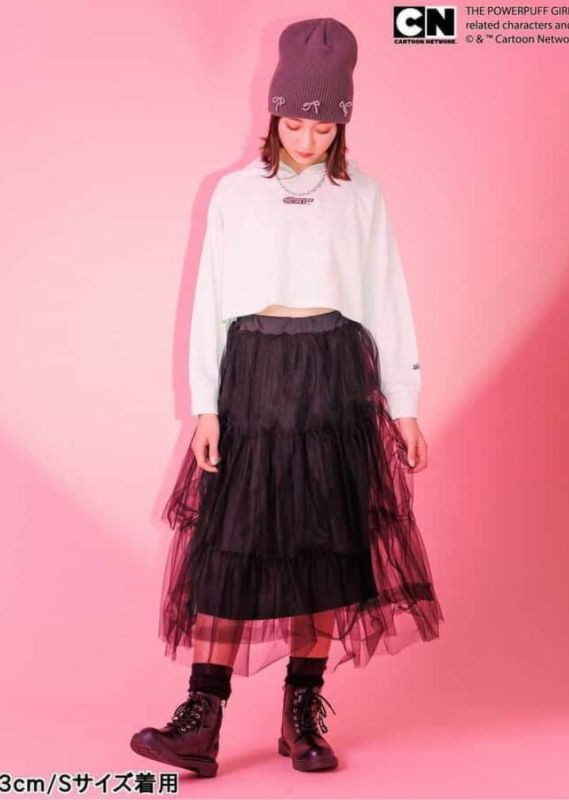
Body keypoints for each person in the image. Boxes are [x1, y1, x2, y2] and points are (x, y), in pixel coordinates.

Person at [131, 17, 444, 778]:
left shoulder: (361, 196)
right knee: (231, 544)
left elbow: (387, 297)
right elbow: (210, 303)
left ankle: (303, 711)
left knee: (327, 544)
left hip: (335, 377)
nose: (306, 140)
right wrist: (206, 406)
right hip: (255, 377)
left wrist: (404, 403)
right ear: (273, 114)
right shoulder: (236, 193)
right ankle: (201, 718)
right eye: (294, 123)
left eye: (323, 127)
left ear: (343, 125)